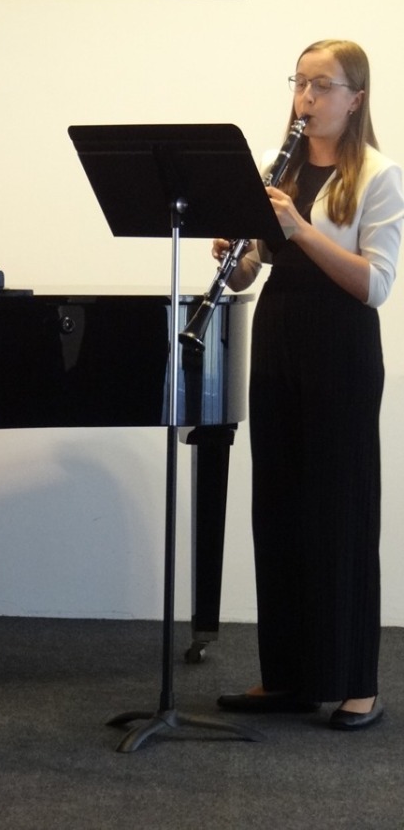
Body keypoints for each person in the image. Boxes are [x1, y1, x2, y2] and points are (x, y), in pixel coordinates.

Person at [214, 39, 404, 730]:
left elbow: (374, 285)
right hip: (279, 336)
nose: (307, 97)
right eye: (300, 83)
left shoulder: (378, 176)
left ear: (356, 98)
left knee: (339, 512)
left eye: (323, 85)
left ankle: (356, 684)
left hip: (339, 347)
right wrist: (234, 253)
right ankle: (289, 677)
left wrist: (297, 227)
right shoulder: (278, 166)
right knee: (281, 508)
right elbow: (254, 267)